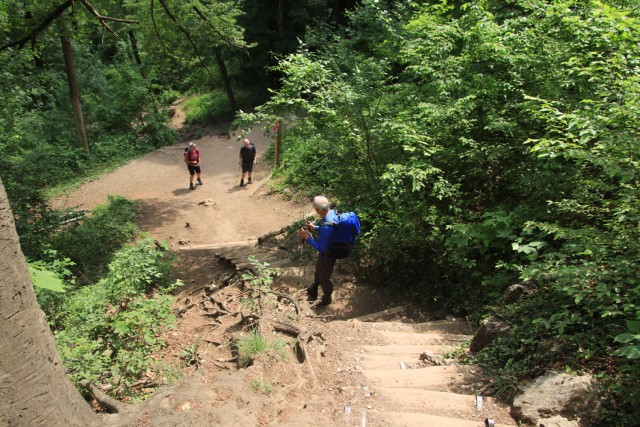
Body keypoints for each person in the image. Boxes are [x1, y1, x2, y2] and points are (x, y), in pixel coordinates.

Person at [298, 196, 339, 306]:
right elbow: (327, 228)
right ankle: (314, 288)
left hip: (328, 254)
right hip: (328, 250)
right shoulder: (333, 213)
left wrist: (307, 237)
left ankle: (327, 298)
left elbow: (321, 247)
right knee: (319, 270)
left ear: (317, 210)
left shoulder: (326, 226)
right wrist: (314, 227)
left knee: (325, 277)